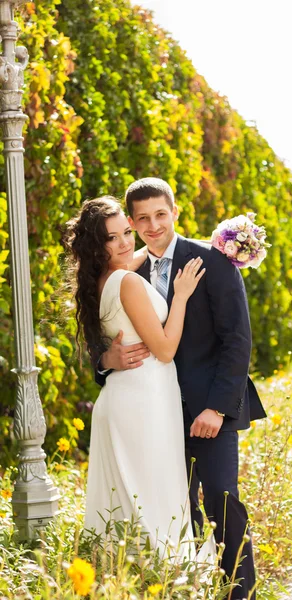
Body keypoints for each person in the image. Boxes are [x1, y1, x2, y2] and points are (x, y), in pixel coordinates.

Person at [97, 178, 267, 599]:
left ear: (175, 211)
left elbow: (237, 340)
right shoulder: (126, 270)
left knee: (222, 501)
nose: (153, 225)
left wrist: (217, 408)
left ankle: (240, 592)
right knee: (176, 509)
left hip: (209, 409)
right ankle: (191, 589)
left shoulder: (213, 260)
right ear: (133, 223)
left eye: (160, 214)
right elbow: (101, 335)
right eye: (142, 218)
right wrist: (104, 362)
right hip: (154, 412)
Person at [64, 196, 207, 561]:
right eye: (113, 238)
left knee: (133, 503)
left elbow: (144, 253)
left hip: (126, 398)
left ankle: (130, 580)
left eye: (127, 232)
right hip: (144, 401)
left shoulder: (101, 278)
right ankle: (168, 578)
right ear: (99, 246)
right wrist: (181, 297)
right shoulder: (126, 281)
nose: (126, 242)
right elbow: (163, 349)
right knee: (155, 498)